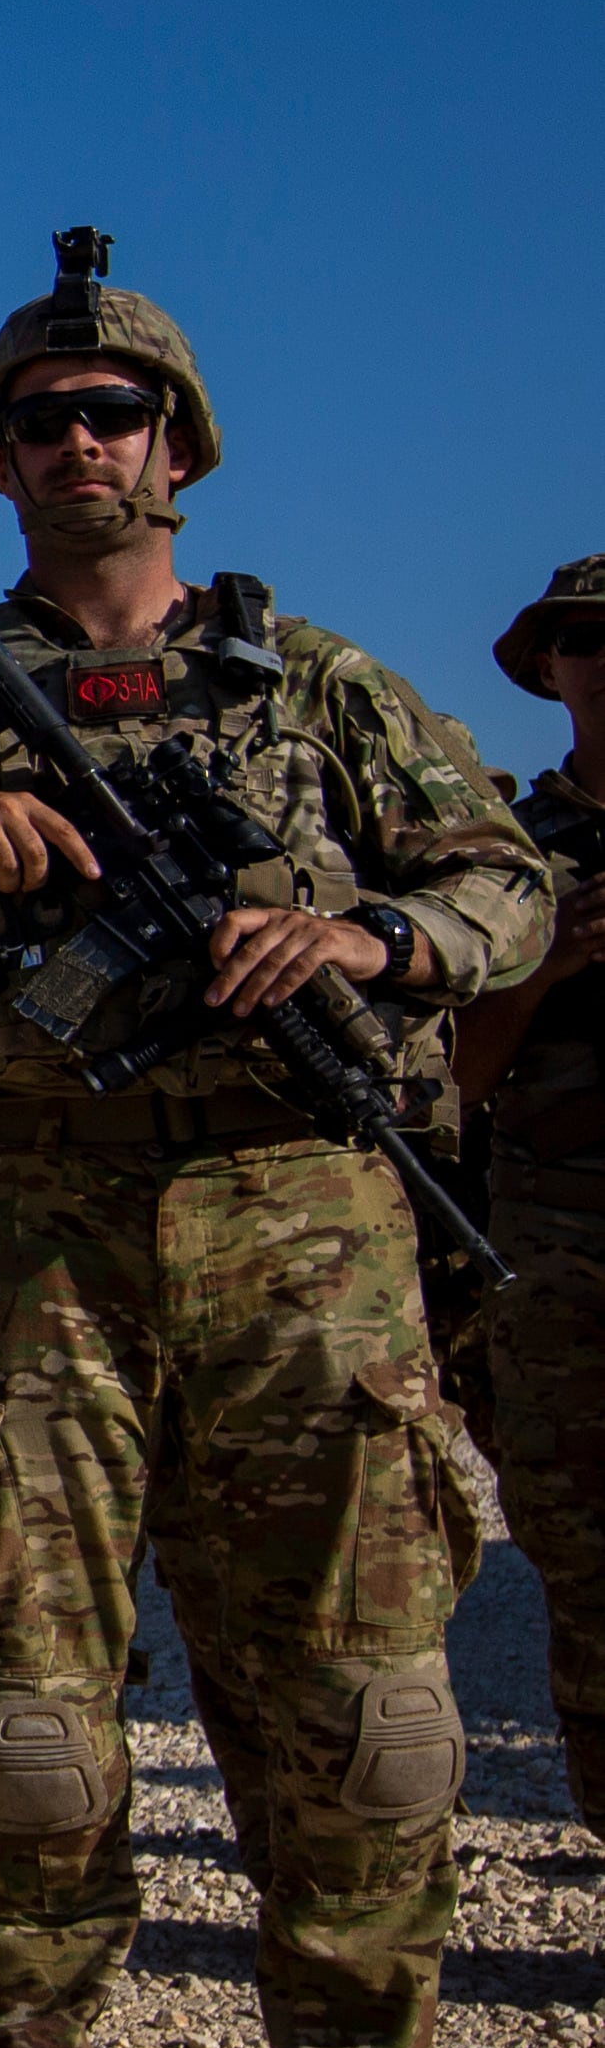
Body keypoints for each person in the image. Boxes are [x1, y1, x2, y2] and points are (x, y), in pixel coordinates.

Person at [0, 241, 546, 2048]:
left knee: (360, 1700)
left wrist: (368, 937)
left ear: (177, 447)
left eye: (114, 413)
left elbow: (504, 885)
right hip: (38, 1230)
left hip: (306, 1231)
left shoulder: (322, 686)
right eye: (40, 417)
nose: (79, 442)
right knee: (23, 1694)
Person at [456, 554, 605, 1839]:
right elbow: (439, 1082)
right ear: (549, 667)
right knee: (589, 1569)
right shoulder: (509, 856)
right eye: (585, 638)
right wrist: (539, 971)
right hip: (559, 1238)